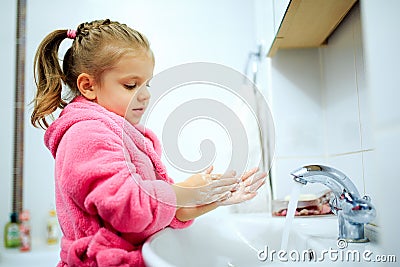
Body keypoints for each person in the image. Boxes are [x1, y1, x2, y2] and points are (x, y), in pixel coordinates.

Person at [31, 19, 266, 267]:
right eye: (131, 85)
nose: (145, 94)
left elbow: (163, 211)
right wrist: (184, 191)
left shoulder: (122, 135)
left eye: (147, 84)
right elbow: (127, 207)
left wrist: (210, 195)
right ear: (88, 86)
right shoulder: (85, 135)